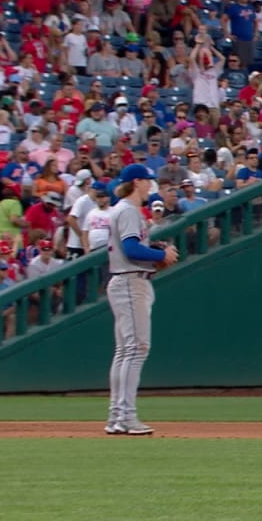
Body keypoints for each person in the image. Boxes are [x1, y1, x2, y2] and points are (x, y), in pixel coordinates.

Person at [104, 164, 179, 436]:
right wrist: (161, 256)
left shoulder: (124, 210)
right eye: (148, 181)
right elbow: (131, 247)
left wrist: (154, 253)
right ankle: (125, 416)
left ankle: (117, 416)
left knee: (126, 351)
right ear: (137, 182)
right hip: (129, 282)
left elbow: (135, 248)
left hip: (128, 280)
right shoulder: (128, 210)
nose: (150, 186)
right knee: (136, 349)